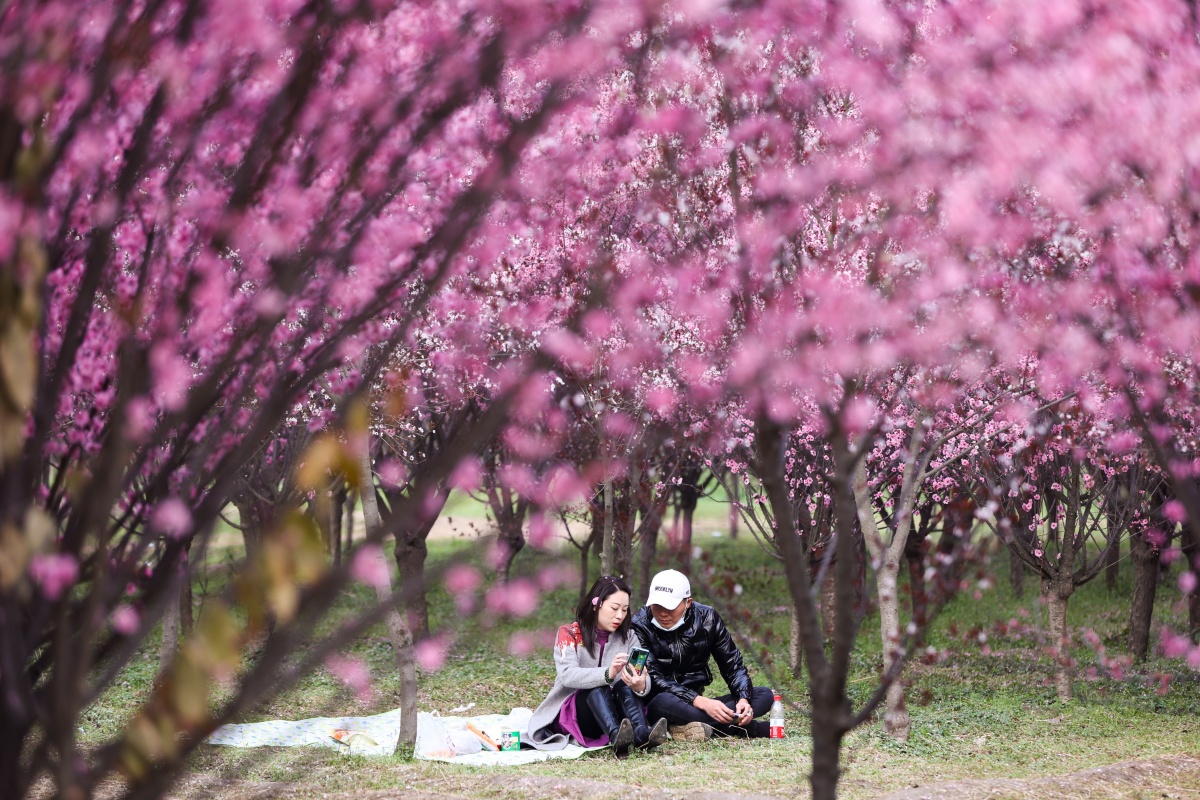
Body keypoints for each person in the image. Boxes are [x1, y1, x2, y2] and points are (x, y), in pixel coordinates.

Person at [527, 575, 669, 756]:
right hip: (578, 714)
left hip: (617, 713)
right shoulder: (569, 633)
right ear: (596, 604)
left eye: (625, 610)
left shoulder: (629, 636)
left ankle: (642, 735)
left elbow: (641, 676)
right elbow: (567, 675)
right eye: (614, 608)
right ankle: (616, 737)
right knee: (598, 688)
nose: (620, 616)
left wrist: (640, 684)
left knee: (624, 687)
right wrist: (607, 673)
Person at [631, 569, 775, 741]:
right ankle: (747, 728)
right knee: (663, 701)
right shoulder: (639, 624)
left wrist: (743, 699)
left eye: (670, 607)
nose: (662, 613)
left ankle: (686, 726)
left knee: (764, 695)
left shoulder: (708, 617)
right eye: (657, 606)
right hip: (661, 701)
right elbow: (653, 677)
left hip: (694, 702)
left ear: (688, 602)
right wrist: (702, 702)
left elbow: (732, 664)